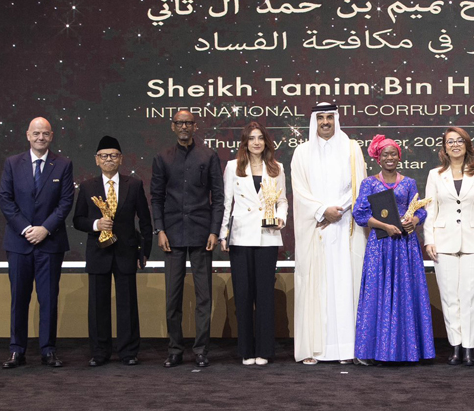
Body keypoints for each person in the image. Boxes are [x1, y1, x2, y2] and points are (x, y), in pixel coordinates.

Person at [290, 102, 367, 364]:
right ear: (314, 121)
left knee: (345, 285)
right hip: (316, 228)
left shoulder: (351, 148)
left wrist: (338, 210)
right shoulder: (302, 152)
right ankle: (315, 349)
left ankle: (346, 349)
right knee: (317, 287)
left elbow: (359, 185)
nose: (325, 122)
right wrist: (322, 210)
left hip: (345, 227)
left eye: (329, 117)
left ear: (336, 119)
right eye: (321, 117)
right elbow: (299, 190)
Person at [150, 110, 224, 368]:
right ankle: (175, 349)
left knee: (204, 297)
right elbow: (156, 198)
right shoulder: (162, 158)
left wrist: (214, 230)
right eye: (179, 123)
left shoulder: (208, 156)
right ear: (173, 127)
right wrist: (159, 230)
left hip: (202, 233)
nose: (184, 127)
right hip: (172, 235)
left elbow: (218, 197)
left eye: (188, 123)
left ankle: (201, 350)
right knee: (173, 297)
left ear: (195, 126)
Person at [0, 117, 74, 368]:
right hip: (19, 243)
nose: (41, 137)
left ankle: (48, 350)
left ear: (51, 136)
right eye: (36, 133)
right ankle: (16, 350)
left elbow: (65, 202)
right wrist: (26, 229)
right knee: (19, 298)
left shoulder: (63, 164)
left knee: (49, 299)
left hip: (50, 244)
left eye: (45, 133)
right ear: (28, 135)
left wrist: (45, 229)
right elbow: (5, 200)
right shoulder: (12, 163)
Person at [353, 135, 436, 364]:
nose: (389, 158)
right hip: (380, 245)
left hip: (405, 245)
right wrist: (385, 226)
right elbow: (360, 214)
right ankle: (376, 351)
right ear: (378, 158)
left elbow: (420, 210)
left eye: (393, 154)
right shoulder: (369, 183)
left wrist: (414, 221)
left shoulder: (408, 183)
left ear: (399, 157)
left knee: (405, 293)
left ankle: (407, 351)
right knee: (378, 293)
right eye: (385, 154)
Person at [72, 136, 153, 366]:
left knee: (127, 304)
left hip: (126, 252)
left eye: (114, 155)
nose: (109, 159)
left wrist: (144, 251)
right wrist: (96, 224)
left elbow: (145, 221)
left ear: (121, 159)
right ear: (97, 160)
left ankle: (128, 352)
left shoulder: (133, 184)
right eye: (104, 156)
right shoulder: (87, 186)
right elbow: (77, 220)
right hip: (98, 252)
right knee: (98, 304)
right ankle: (99, 352)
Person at [424, 127, 474, 366]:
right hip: (443, 242)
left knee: (470, 296)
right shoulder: (435, 175)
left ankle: (469, 348)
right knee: (449, 297)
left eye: (459, 141)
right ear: (444, 148)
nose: (455, 145)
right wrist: (429, 240)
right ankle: (455, 345)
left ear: (467, 145)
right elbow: (430, 210)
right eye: (450, 142)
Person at [220, 122, 288, 365]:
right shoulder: (233, 167)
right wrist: (223, 234)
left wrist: (281, 218)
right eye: (251, 138)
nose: (256, 142)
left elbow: (282, 201)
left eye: (260, 138)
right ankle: (246, 350)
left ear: (266, 141)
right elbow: (227, 203)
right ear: (245, 142)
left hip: (267, 237)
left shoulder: (277, 168)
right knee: (243, 294)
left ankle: (264, 350)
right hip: (240, 236)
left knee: (265, 295)